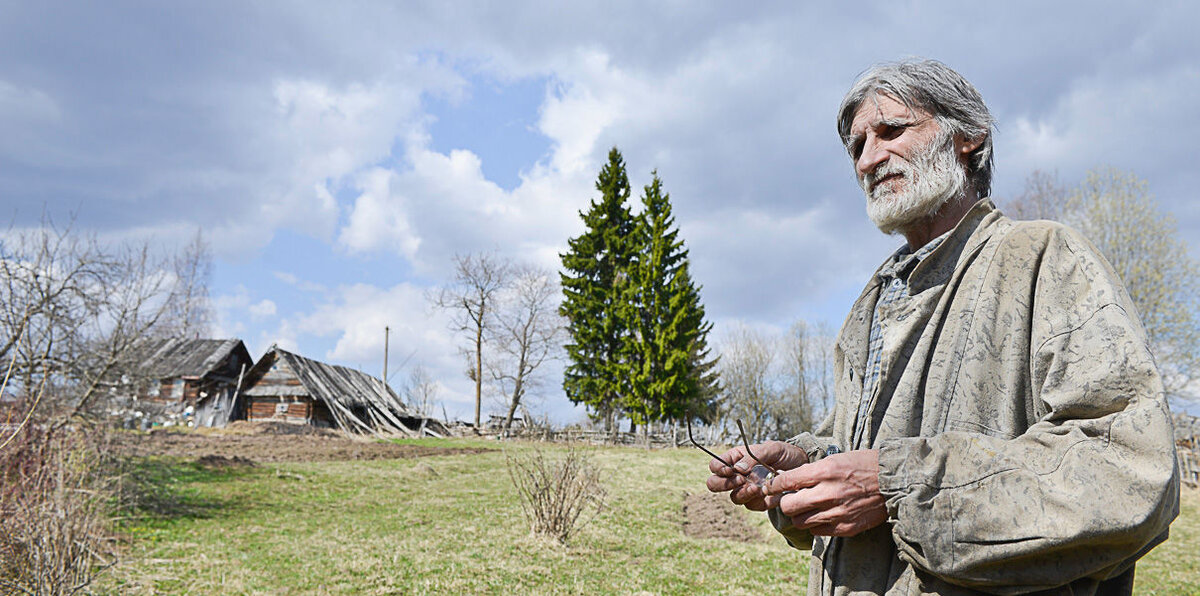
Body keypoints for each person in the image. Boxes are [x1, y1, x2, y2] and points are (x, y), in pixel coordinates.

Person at [706, 59, 1180, 595]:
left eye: (891, 130)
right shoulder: (872, 303)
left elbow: (1130, 472)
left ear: (968, 138)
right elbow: (861, 462)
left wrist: (894, 485)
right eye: (857, 146)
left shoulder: (1044, 258)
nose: (869, 158)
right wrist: (804, 470)